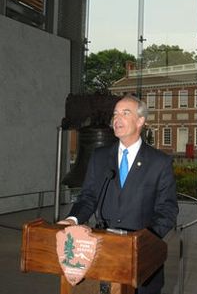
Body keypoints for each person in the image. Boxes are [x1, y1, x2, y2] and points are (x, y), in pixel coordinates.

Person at [59, 94, 178, 294]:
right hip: (104, 255)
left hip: (143, 262)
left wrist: (145, 240)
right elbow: (88, 197)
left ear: (140, 121)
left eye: (125, 113)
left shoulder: (160, 162)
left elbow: (168, 210)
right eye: (115, 113)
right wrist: (72, 219)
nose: (116, 118)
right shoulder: (99, 156)